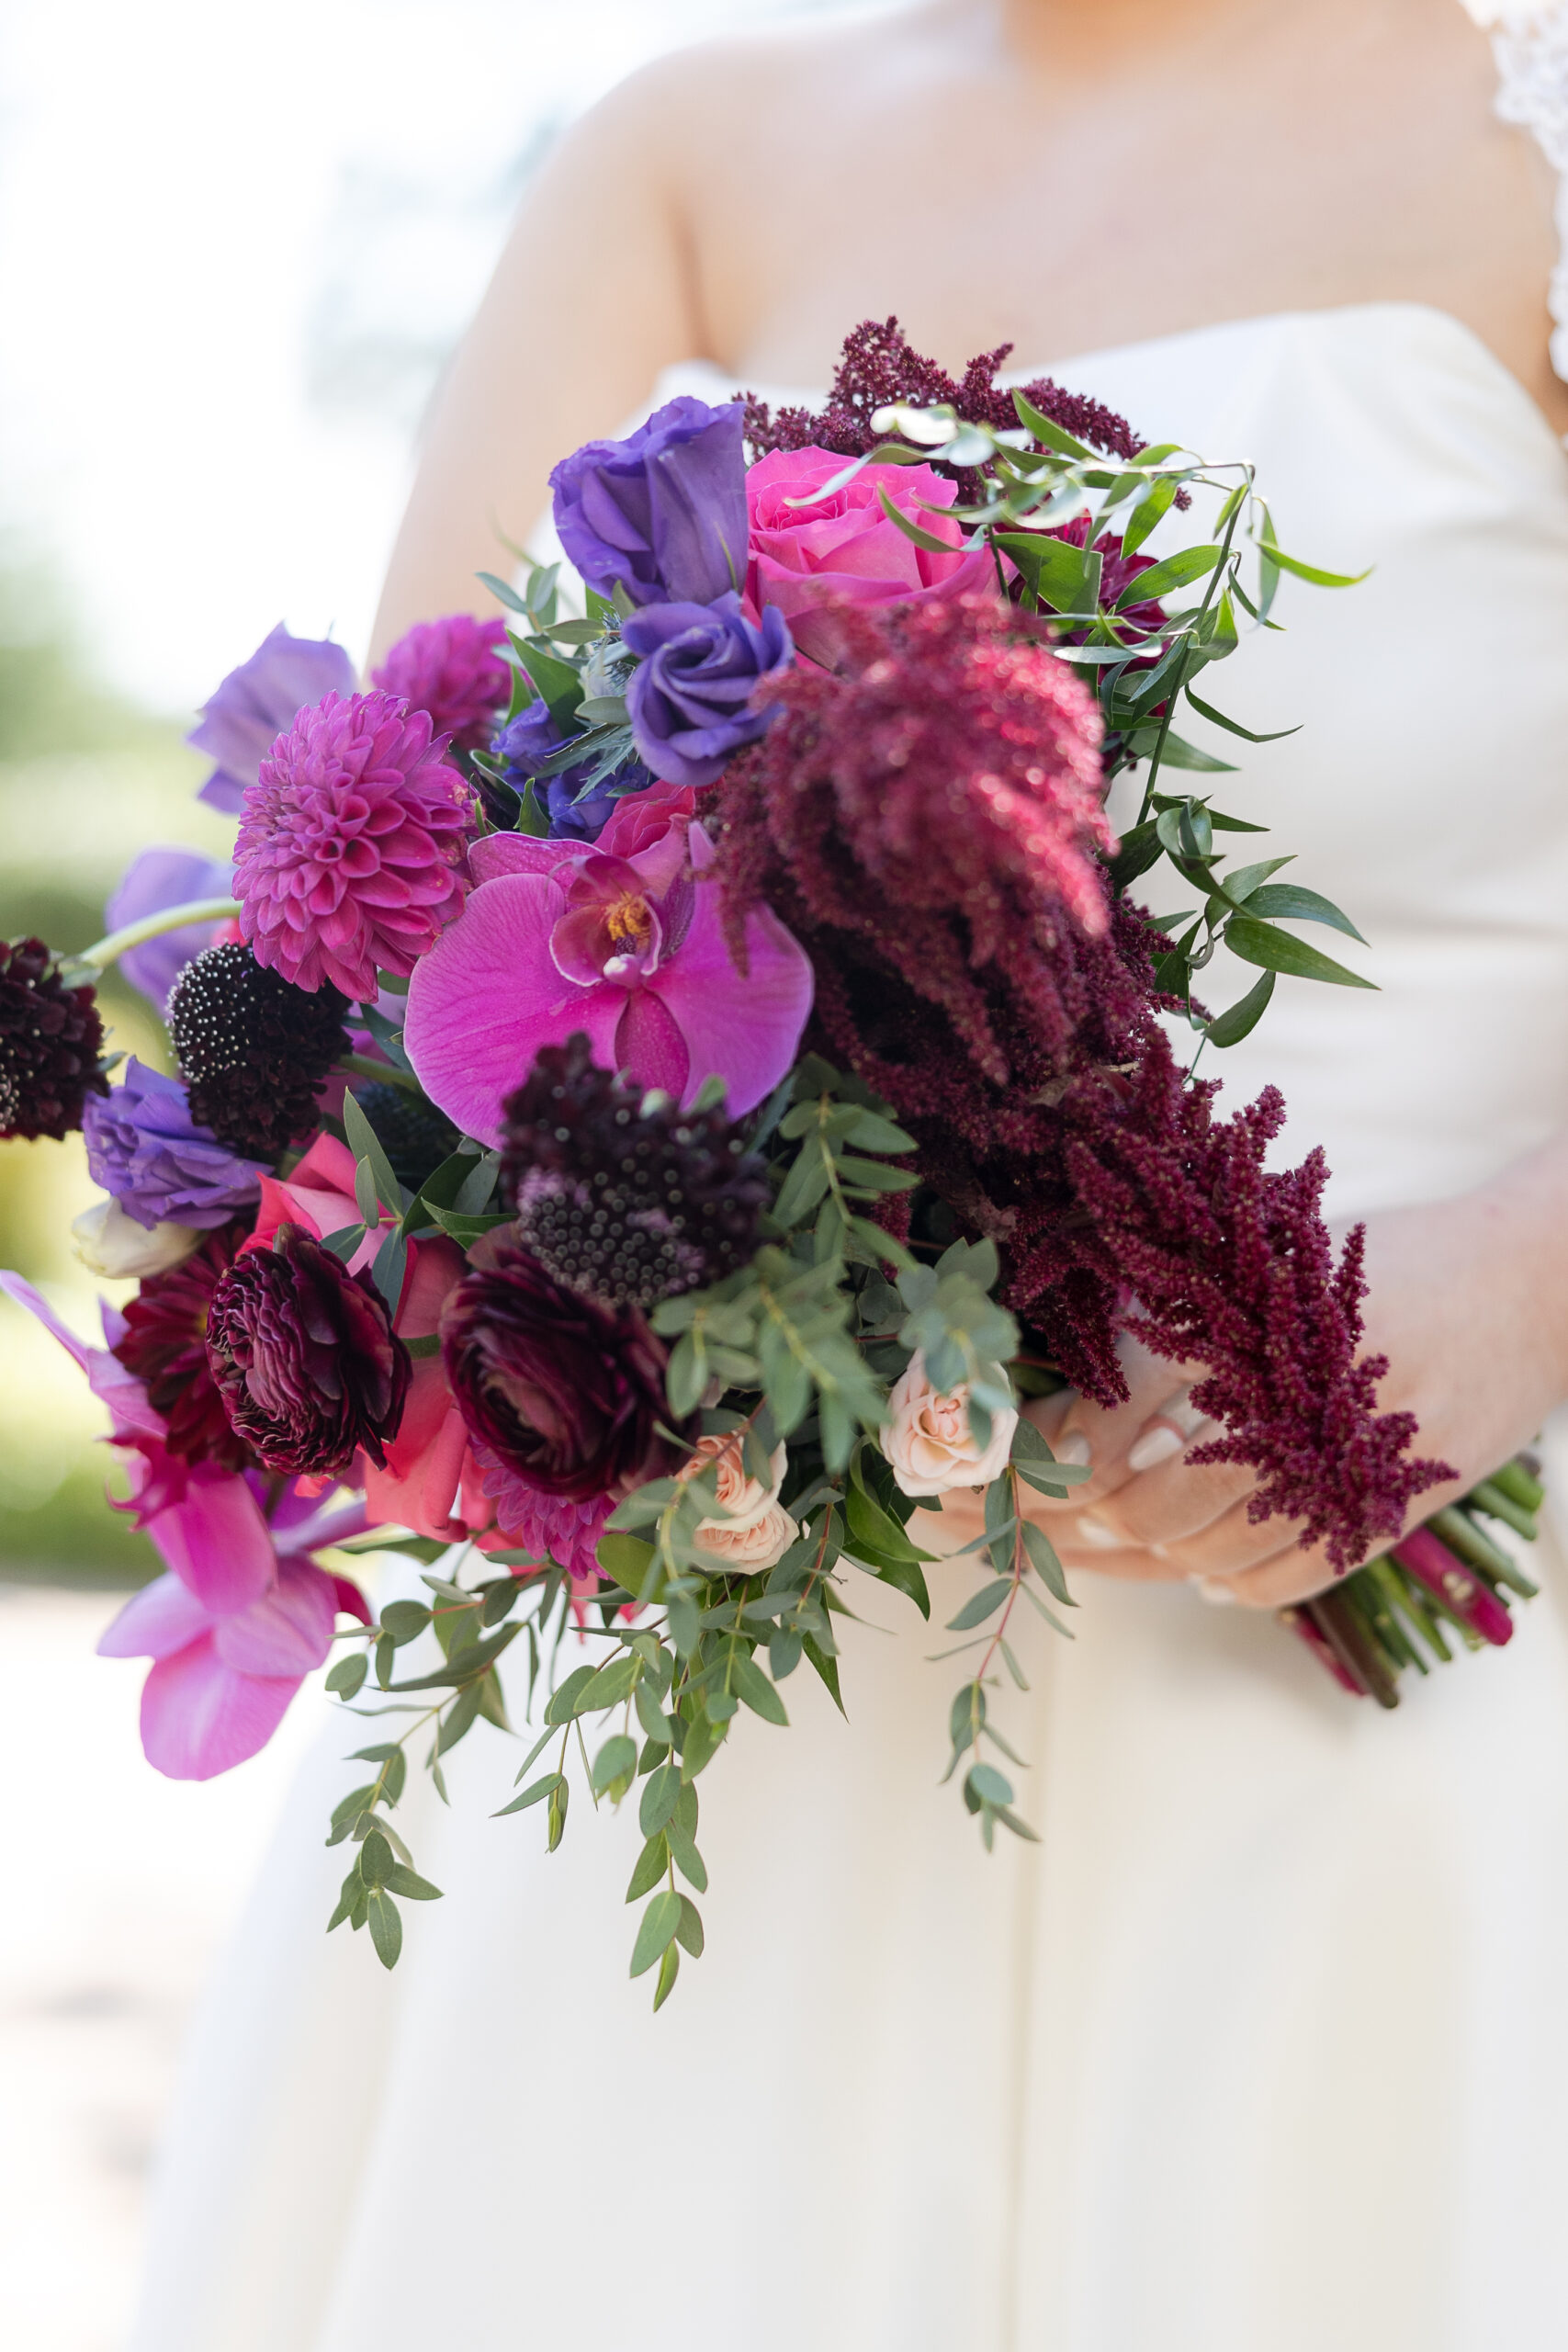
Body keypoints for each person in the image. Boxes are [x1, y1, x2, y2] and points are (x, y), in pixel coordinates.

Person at [131, 4, 1568, 2346]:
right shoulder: (686, 151)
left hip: (1410, 1703)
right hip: (736, 1688)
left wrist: (1512, 1291)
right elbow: (390, 885)